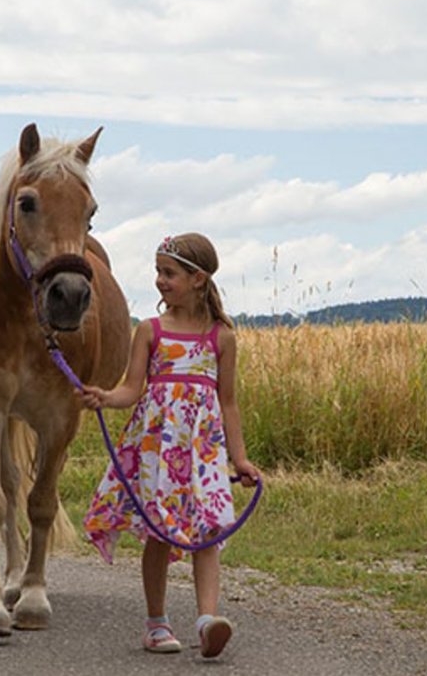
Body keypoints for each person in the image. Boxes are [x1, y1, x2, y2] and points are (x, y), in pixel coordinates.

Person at [77, 232, 262, 659]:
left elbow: (228, 402)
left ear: (198, 279)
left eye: (169, 273)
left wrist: (240, 458)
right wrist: (104, 398)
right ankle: (157, 624)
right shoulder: (150, 330)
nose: (160, 281)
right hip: (158, 450)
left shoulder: (221, 338)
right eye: (158, 272)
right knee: (159, 532)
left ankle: (207, 620)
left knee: (209, 531)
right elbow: (130, 389)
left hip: (202, 452)